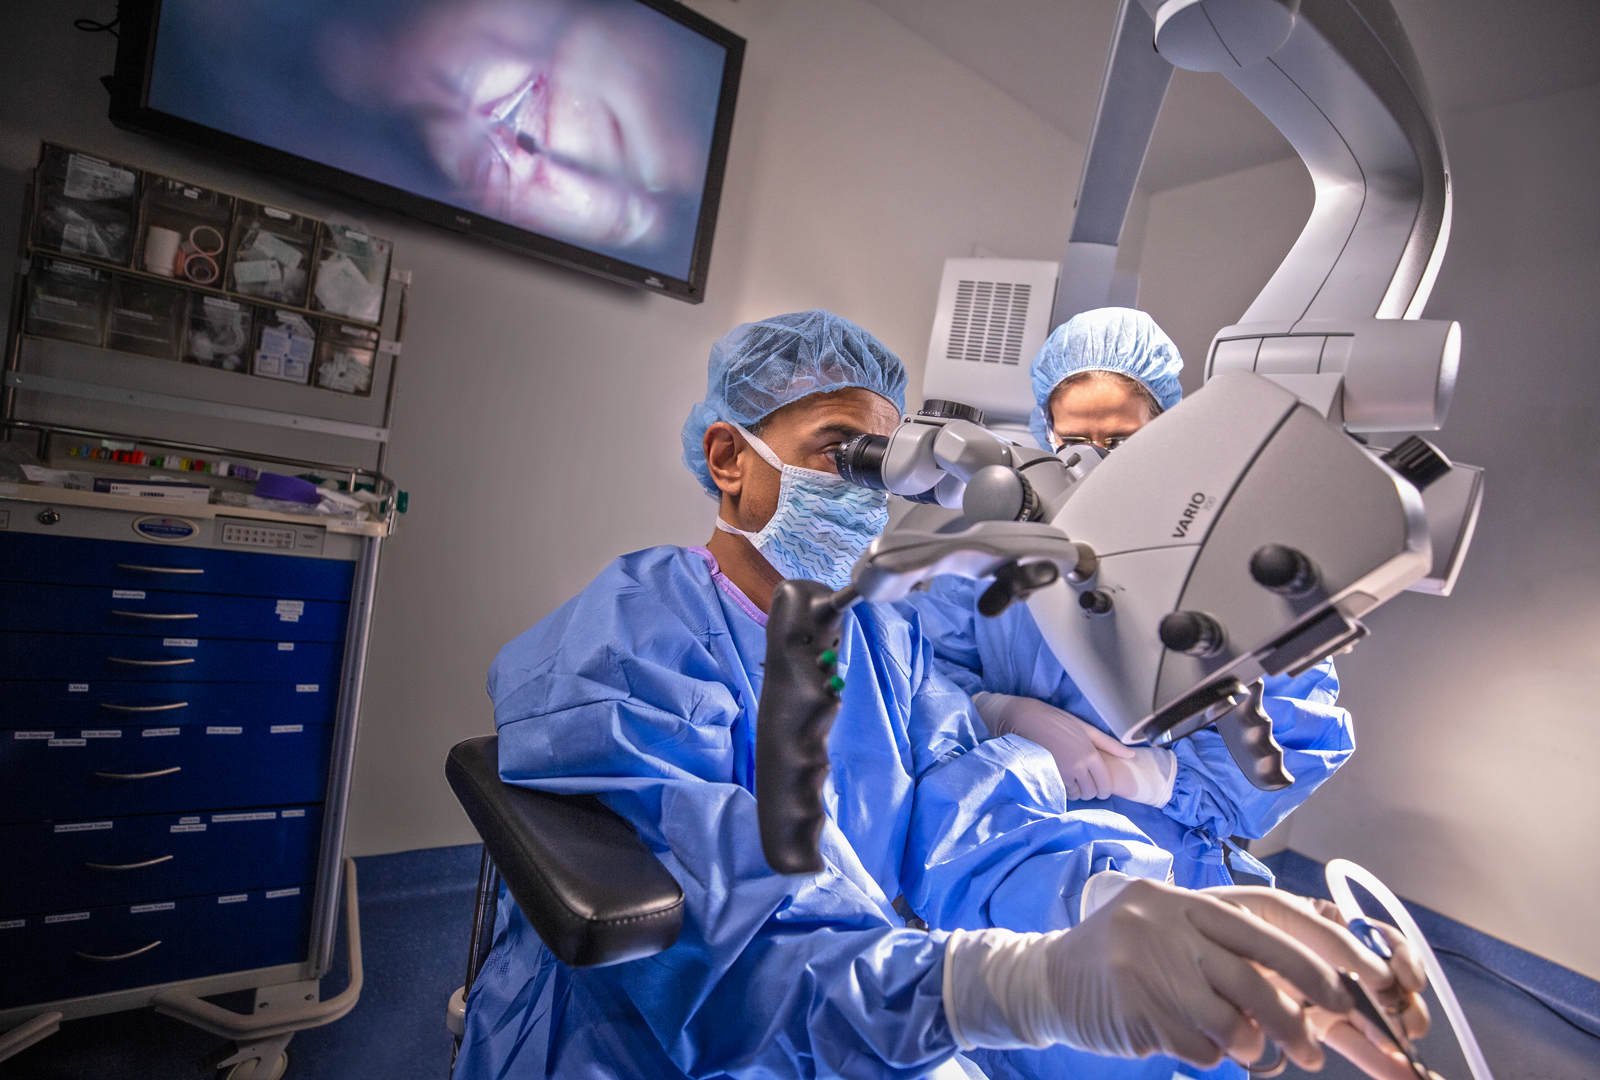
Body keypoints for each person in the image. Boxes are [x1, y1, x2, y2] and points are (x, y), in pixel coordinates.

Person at [454, 310, 1428, 1080]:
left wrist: (1110, 894)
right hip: (638, 1047)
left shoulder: (877, 636)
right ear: (728, 458)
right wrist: (1010, 986)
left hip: (852, 1006)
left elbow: (968, 819)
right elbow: (724, 953)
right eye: (838, 449)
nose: (864, 490)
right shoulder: (637, 637)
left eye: (881, 461)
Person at [900, 307, 1355, 900]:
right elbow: (916, 672)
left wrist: (1157, 778)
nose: (1091, 462)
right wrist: (997, 710)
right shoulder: (996, 555)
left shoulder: (1229, 560)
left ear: (1166, 429)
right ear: (1046, 436)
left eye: (1119, 441)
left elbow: (1300, 740)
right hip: (1011, 857)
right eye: (1072, 443)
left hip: (1164, 872)